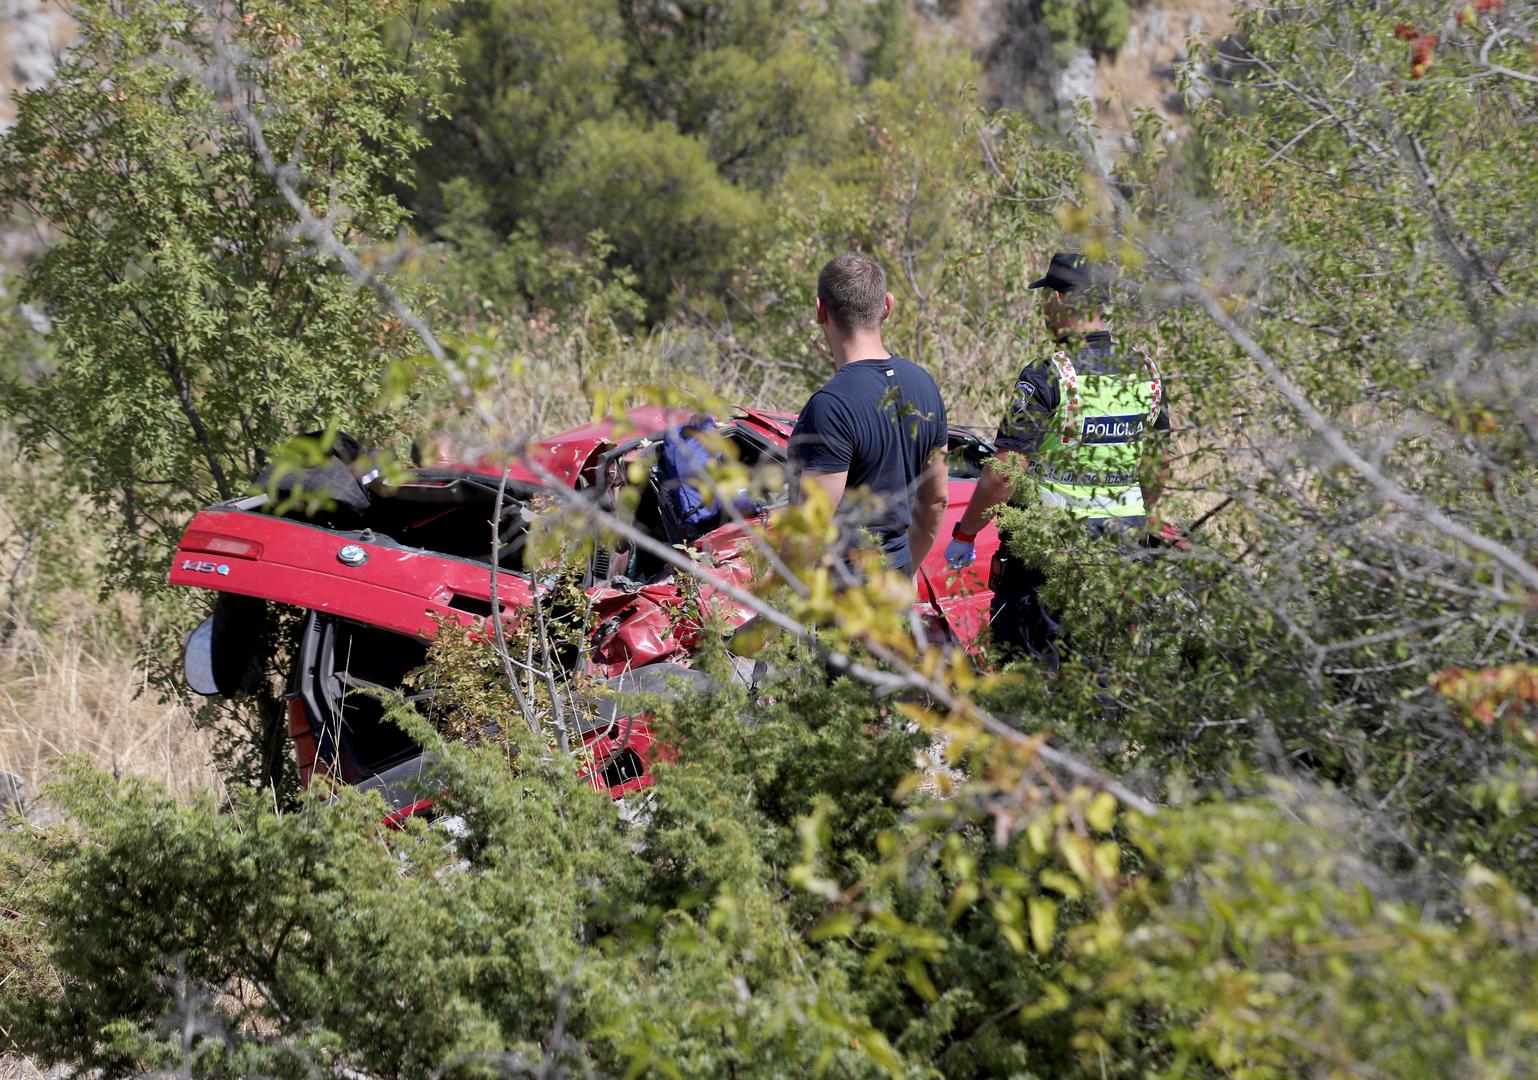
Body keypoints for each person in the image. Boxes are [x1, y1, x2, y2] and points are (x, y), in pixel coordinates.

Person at [944, 252, 1170, 660]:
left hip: (1049, 557)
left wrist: (965, 533)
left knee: (1033, 676)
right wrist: (1139, 523)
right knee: (1106, 667)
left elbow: (1004, 473)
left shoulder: (1049, 375)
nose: (1043, 309)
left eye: (1045, 297)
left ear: (1061, 300)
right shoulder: (1145, 370)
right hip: (1120, 550)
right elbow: (1158, 465)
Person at [788, 253, 949, 581]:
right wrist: (906, 570)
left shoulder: (830, 407)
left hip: (843, 597)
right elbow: (936, 500)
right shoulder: (924, 385)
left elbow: (811, 532)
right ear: (888, 305)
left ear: (821, 310)